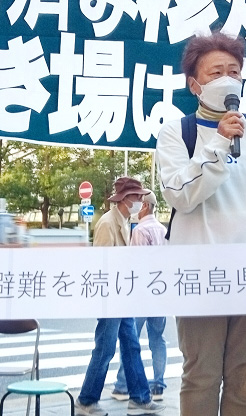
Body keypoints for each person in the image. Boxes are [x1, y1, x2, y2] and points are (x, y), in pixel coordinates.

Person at [156, 30, 246, 416]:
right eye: (215, 72)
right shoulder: (176, 133)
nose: (227, 78)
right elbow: (180, 194)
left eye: (234, 71)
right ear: (194, 85)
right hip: (200, 276)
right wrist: (219, 142)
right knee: (201, 374)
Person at [75, 177, 165, 416]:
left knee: (131, 346)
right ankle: (86, 400)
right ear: (125, 199)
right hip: (111, 298)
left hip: (121, 297)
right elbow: (102, 264)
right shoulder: (108, 223)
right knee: (105, 349)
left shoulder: (123, 221)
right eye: (137, 196)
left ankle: (140, 397)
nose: (140, 201)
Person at [111, 191, 169, 402]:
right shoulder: (164, 230)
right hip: (160, 293)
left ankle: (122, 385)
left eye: (138, 202)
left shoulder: (140, 231)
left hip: (142, 294)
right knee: (157, 340)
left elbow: (135, 265)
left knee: (130, 340)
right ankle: (159, 385)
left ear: (144, 206)